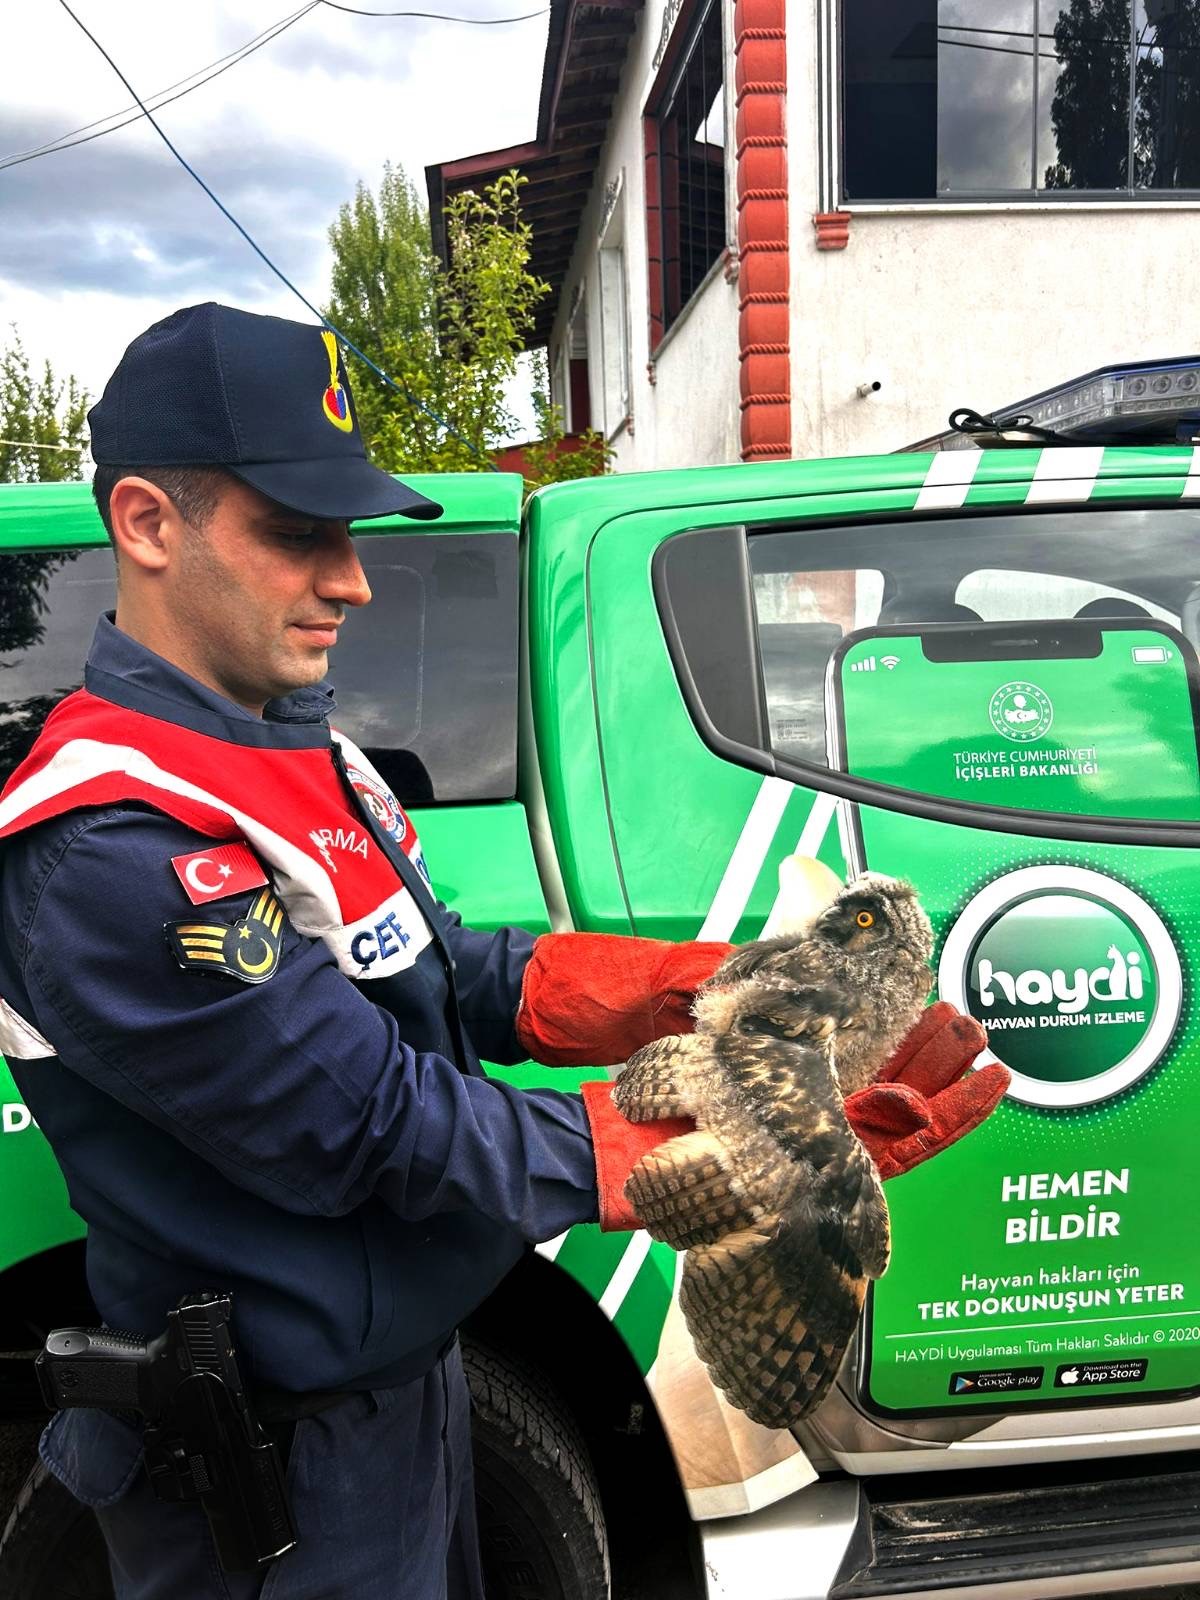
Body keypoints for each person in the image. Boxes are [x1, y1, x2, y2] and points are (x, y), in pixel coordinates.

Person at [0, 304, 1008, 1600]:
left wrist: (703, 988)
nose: (353, 578)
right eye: (298, 532)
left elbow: (446, 971)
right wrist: (749, 1145)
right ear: (146, 524)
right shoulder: (105, 844)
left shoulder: (294, 753)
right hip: (263, 1478)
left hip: (400, 1400)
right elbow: (378, 1129)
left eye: (349, 531)